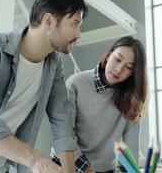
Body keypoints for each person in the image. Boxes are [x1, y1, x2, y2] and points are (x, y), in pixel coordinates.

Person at [0, 0, 88, 173]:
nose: (78, 34)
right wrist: (36, 160)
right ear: (49, 21)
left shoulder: (53, 65)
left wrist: (68, 171)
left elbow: (61, 119)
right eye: (75, 24)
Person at [51, 36, 149, 172]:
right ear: (109, 56)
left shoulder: (132, 99)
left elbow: (130, 150)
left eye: (128, 67)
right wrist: (86, 169)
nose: (119, 69)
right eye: (118, 59)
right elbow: (65, 135)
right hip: (66, 166)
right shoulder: (76, 83)